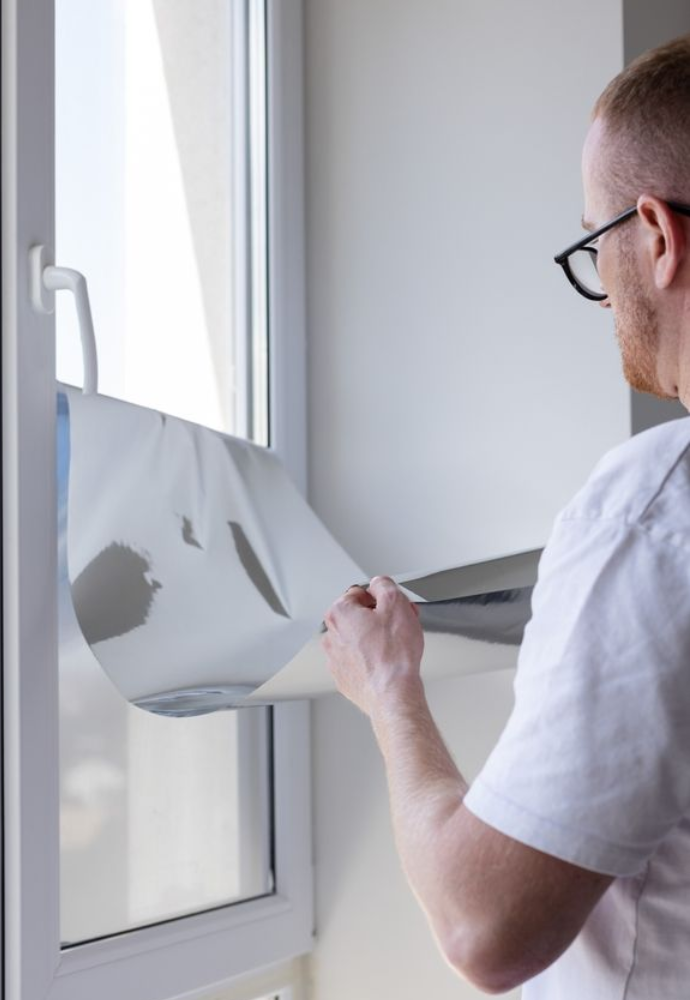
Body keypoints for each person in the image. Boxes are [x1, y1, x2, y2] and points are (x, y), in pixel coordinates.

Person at [323, 35, 690, 998]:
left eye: (593, 240)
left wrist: (389, 689)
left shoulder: (653, 515)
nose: (600, 284)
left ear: (655, 235)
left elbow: (485, 927)